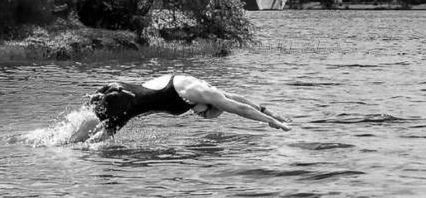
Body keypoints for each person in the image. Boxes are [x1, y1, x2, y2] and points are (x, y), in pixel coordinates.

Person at [70, 74, 290, 143]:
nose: (199, 114)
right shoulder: (202, 93)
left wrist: (266, 110)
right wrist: (270, 122)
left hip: (118, 90)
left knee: (69, 140)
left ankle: (46, 149)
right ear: (207, 104)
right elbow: (239, 108)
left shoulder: (202, 89)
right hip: (122, 102)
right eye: (204, 113)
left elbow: (233, 98)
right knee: (80, 146)